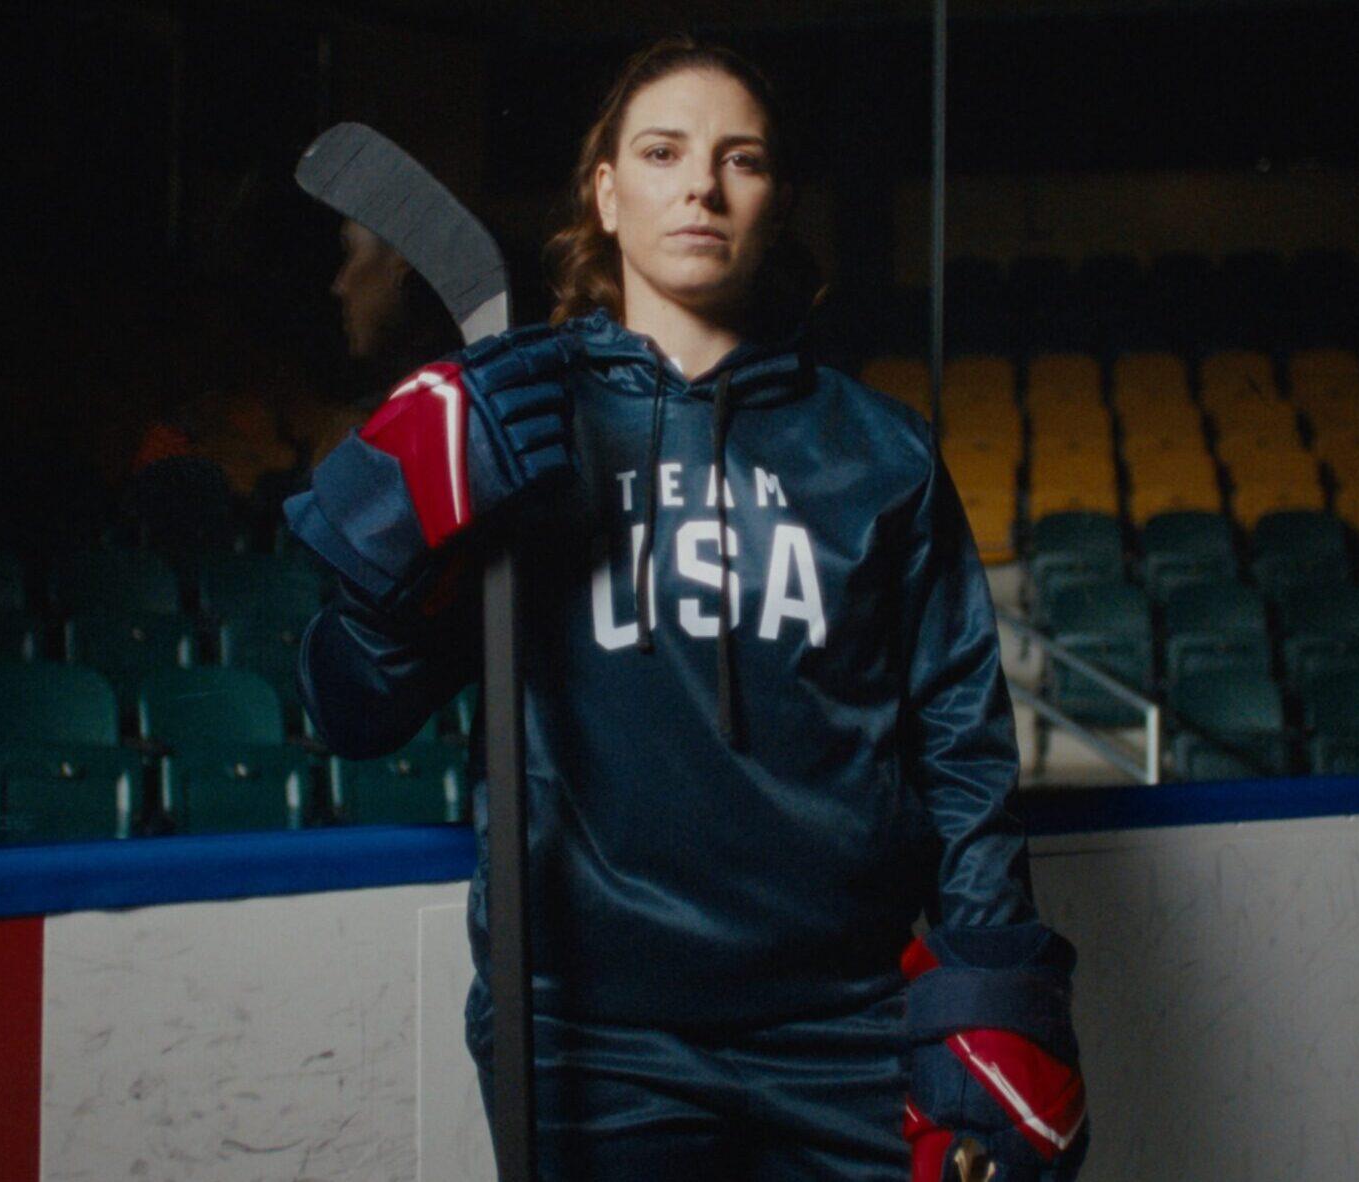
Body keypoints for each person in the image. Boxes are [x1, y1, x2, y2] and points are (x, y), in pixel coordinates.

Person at [281, 36, 1090, 1182]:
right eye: (662, 153)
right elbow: (349, 713)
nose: (702, 185)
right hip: (588, 1036)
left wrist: (990, 977)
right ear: (606, 194)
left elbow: (960, 752)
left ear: (777, 200)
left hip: (846, 1029)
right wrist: (398, 549)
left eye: (739, 159)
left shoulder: (881, 452)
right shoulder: (512, 422)